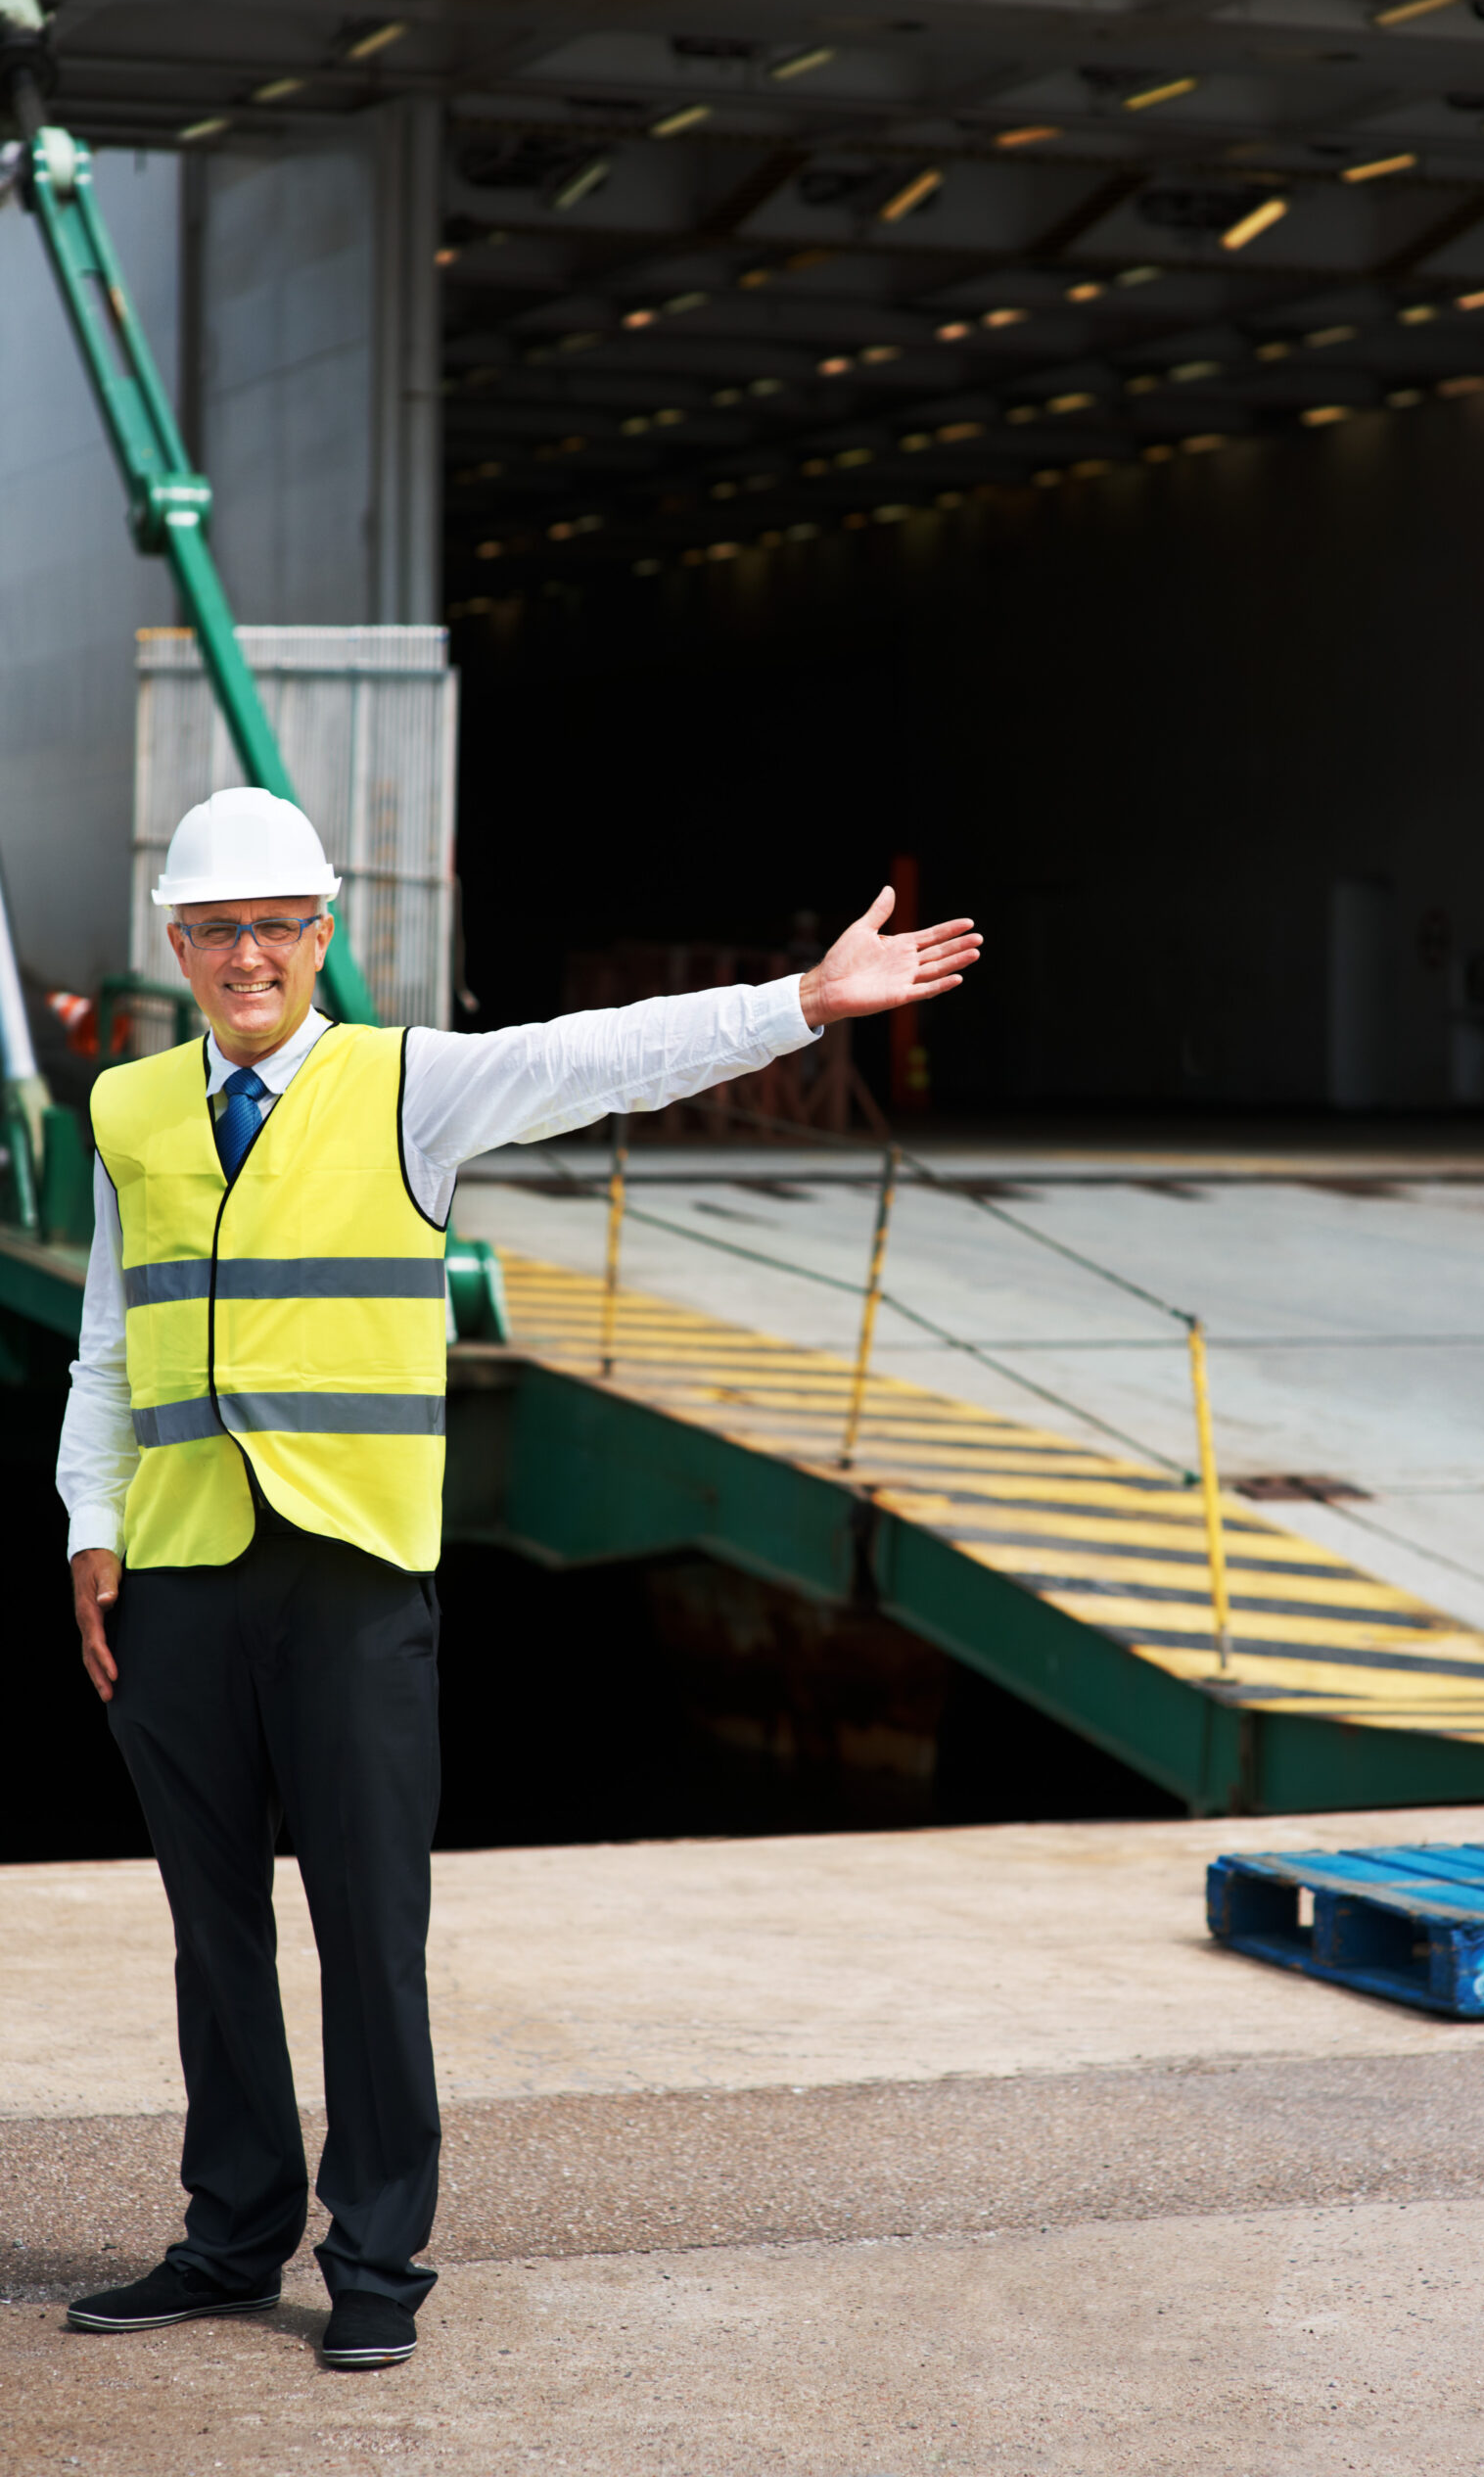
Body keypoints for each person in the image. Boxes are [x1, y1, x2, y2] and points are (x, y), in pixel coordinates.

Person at [56, 786, 980, 2371]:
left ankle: (376, 2265)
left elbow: (599, 1050)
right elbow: (103, 1344)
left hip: (352, 1579)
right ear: (181, 945)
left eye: (279, 925)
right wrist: (90, 1525)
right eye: (220, 930)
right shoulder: (131, 1113)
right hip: (185, 1574)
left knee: (368, 1927)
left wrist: (804, 1005)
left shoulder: (412, 1086)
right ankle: (228, 2237)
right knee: (214, 1934)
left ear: (322, 936)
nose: (250, 955)